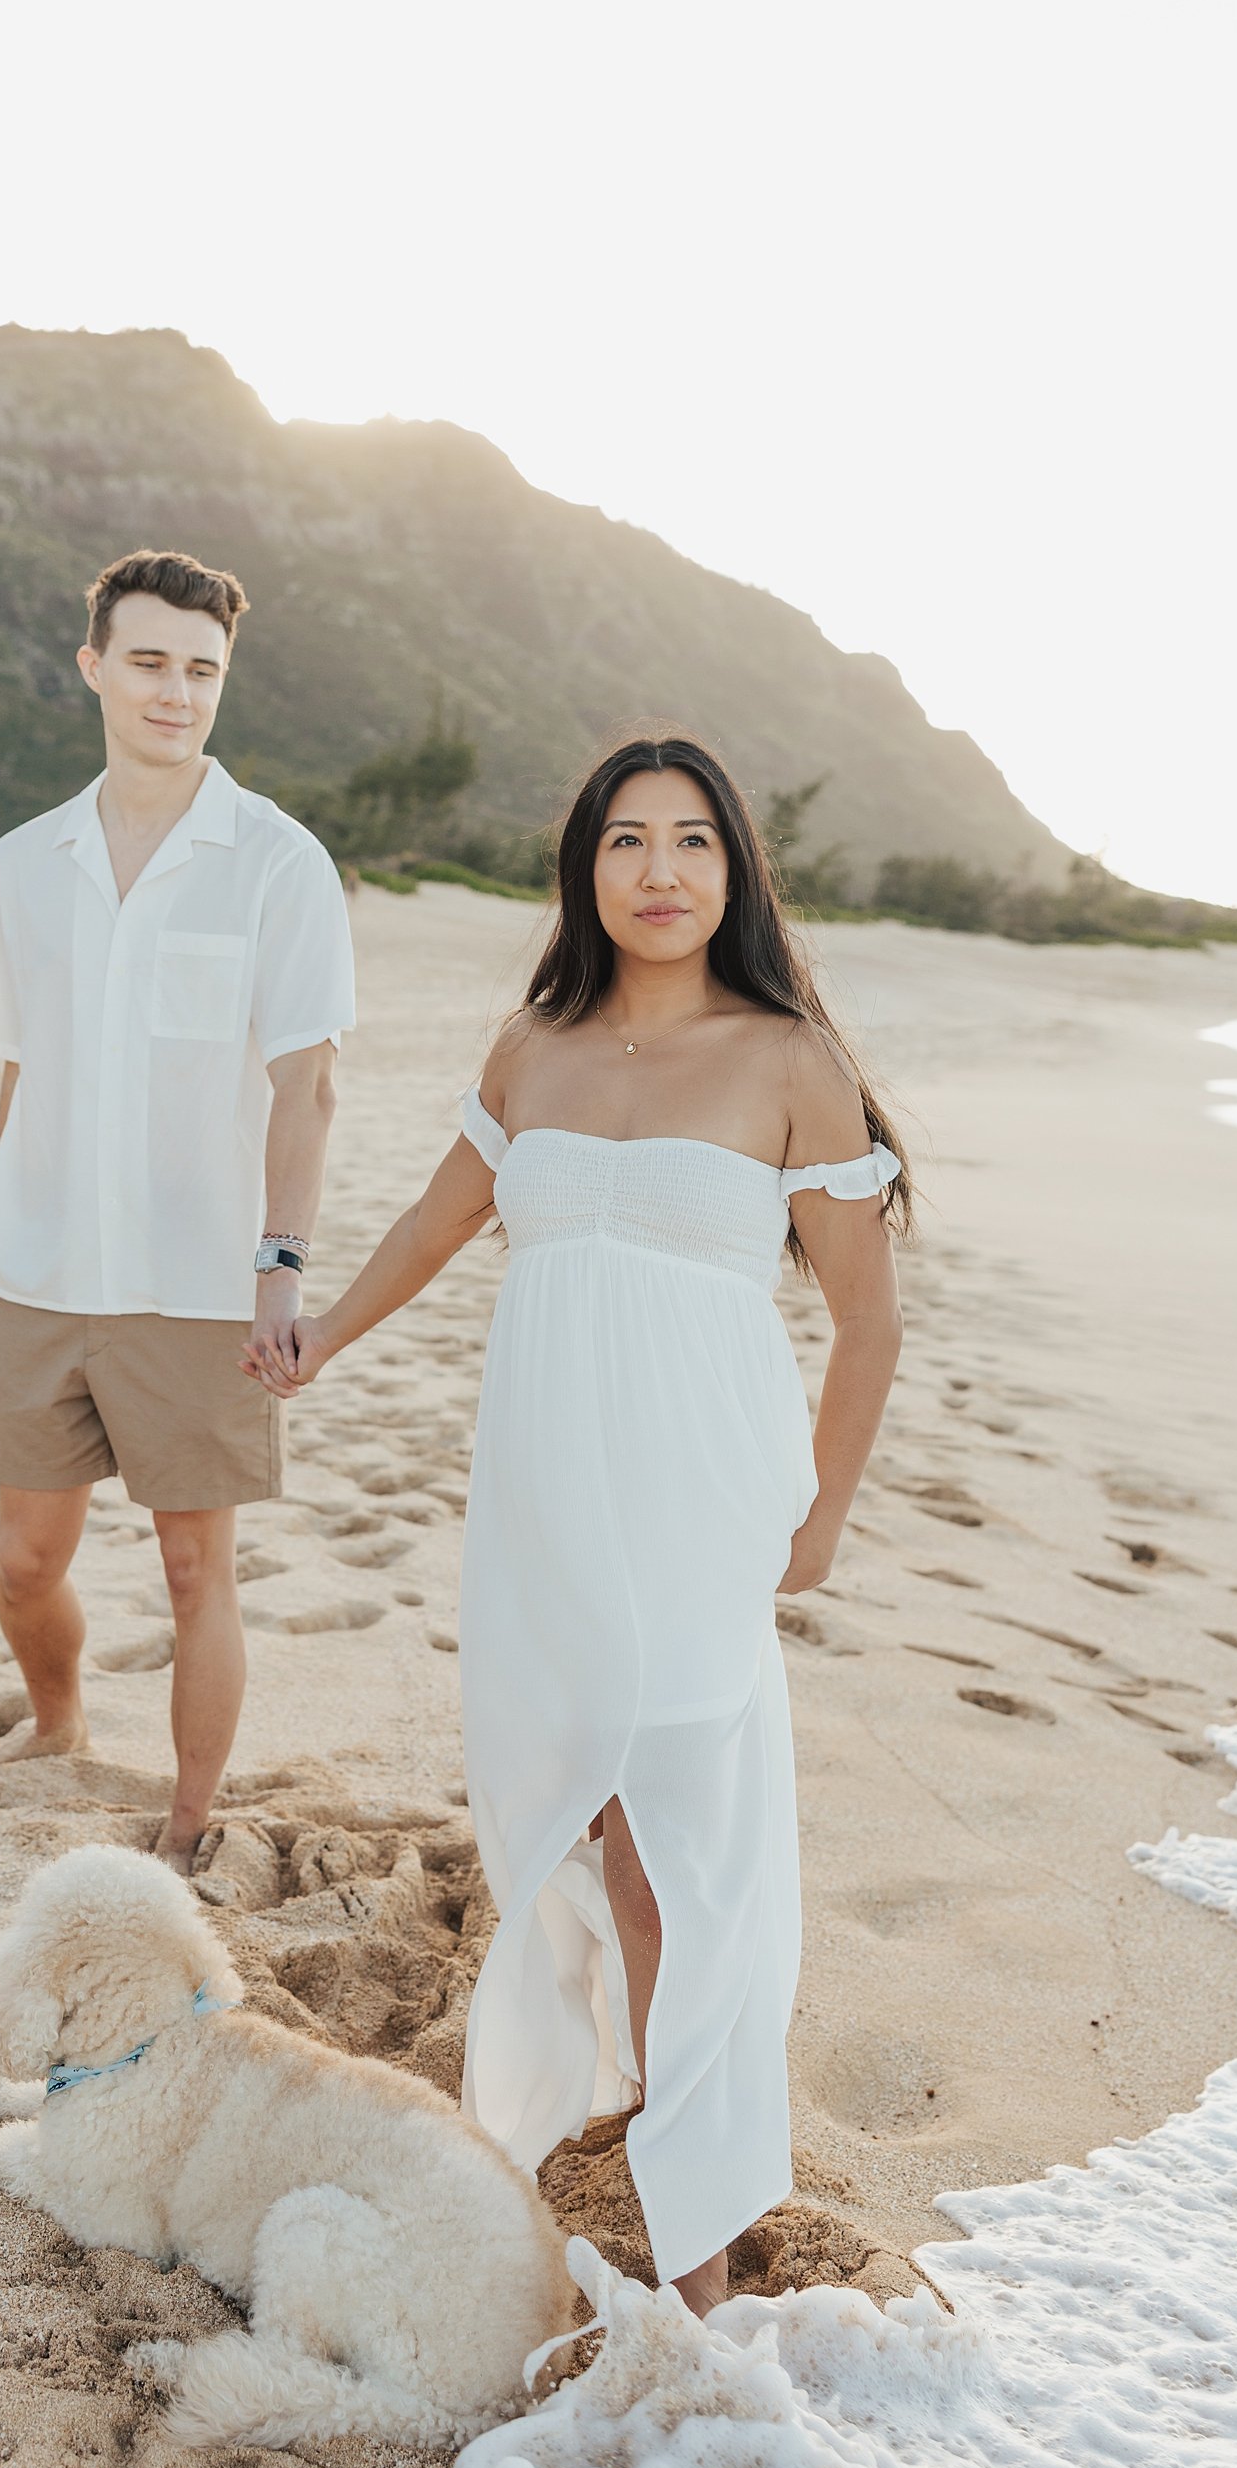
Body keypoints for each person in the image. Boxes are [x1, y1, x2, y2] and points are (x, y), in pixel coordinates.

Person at [246, 734, 907, 2315]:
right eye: (626, 841)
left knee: (678, 1846)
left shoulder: (789, 1061)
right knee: (592, 1826)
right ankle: (627, 2097)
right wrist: (318, 1335)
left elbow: (869, 1320)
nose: (659, 872)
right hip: (547, 1499)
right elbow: (440, 1218)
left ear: (734, 869)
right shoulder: (530, 1049)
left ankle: (698, 2248)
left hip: (703, 1504)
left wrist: (819, 1517)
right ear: (585, 868)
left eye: (691, 841)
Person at [0, 547, 354, 1872]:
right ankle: (56, 1722)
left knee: (195, 1573)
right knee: (24, 1561)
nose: (175, 692)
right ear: (94, 667)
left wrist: (279, 1272)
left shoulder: (278, 863)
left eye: (201, 669)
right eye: (149, 662)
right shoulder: (23, 864)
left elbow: (308, 1085)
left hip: (198, 1286)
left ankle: (186, 1823)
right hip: (40, 1274)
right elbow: (18, 1069)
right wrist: (23, 1211)